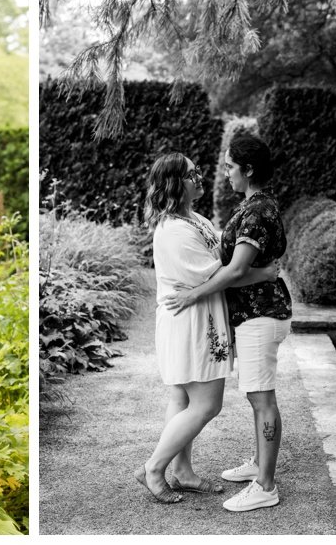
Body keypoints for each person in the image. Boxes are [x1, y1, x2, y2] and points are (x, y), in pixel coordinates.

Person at [136, 153, 278, 504]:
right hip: (190, 322)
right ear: (173, 183)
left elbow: (220, 262)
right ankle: (153, 468)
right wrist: (262, 273)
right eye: (190, 174)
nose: (199, 177)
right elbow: (219, 272)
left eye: (197, 171)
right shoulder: (173, 229)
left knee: (182, 398)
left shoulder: (193, 218)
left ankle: (182, 472)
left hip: (199, 317)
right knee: (206, 404)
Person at [164, 135, 292, 512]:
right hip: (255, 314)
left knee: (262, 398)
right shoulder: (254, 205)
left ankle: (266, 485)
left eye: (230, 167)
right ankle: (258, 464)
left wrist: (193, 294)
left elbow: (235, 269)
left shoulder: (255, 211)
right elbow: (249, 268)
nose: (225, 173)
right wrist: (265, 273)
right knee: (257, 395)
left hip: (261, 316)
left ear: (248, 169)